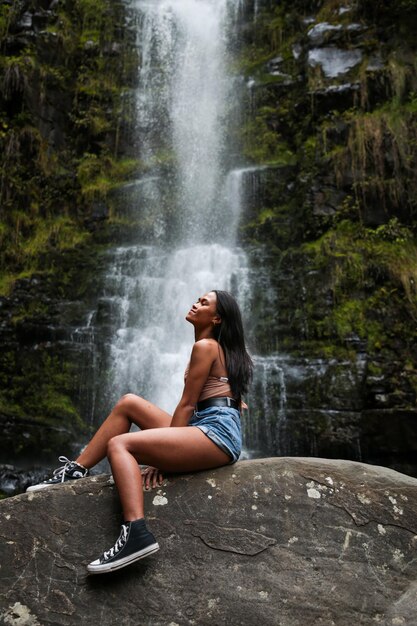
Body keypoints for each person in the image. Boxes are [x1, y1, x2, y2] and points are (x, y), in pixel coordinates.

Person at [26, 290, 253, 575]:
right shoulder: (216, 348)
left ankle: (136, 532)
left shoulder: (206, 346)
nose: (195, 303)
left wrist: (162, 458)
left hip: (215, 433)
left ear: (217, 318)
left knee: (120, 445)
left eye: (204, 303)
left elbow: (187, 404)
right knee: (128, 404)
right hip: (206, 426)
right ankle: (75, 469)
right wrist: (168, 449)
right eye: (197, 299)